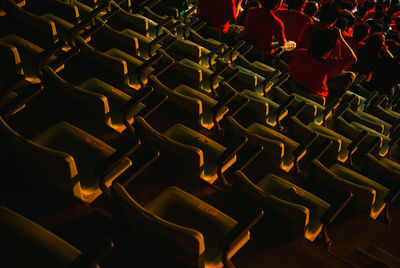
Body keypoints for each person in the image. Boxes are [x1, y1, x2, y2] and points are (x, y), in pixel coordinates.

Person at [289, 27, 357, 99]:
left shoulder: (299, 53)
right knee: (350, 76)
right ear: (328, 49)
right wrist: (340, 38)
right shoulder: (327, 64)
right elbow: (353, 59)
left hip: (293, 89)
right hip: (316, 98)